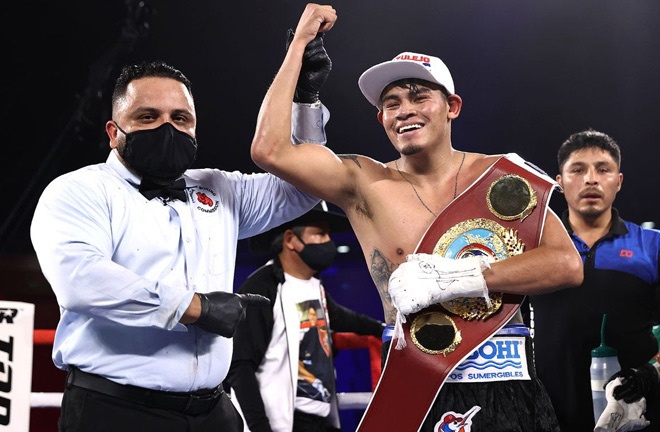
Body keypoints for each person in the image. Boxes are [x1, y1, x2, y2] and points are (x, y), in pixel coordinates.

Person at [248, 3, 583, 431]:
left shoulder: (503, 178)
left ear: (452, 107)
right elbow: (269, 151)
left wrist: (461, 278)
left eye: (419, 96)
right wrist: (298, 51)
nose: (404, 109)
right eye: (391, 103)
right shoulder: (363, 183)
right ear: (382, 118)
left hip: (509, 385)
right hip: (417, 388)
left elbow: (568, 265)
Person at [29, 58, 333, 432]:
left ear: (194, 127)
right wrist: (197, 307)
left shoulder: (218, 189)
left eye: (180, 118)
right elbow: (81, 280)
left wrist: (304, 101)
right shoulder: (79, 191)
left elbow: (308, 183)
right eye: (147, 116)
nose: (166, 127)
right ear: (113, 131)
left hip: (214, 412)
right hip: (115, 411)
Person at [528, 129, 660, 432]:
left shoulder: (652, 246)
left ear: (618, 181)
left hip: (636, 413)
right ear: (558, 183)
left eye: (603, 169)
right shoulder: (531, 248)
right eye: (578, 169)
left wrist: (651, 373)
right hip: (548, 415)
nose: (591, 179)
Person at [226, 201, 385, 432]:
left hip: (320, 417)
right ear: (291, 240)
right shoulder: (261, 288)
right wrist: (260, 426)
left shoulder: (314, 286)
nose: (328, 242)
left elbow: (342, 317)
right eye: (320, 234)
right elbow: (240, 365)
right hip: (283, 421)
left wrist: (385, 329)